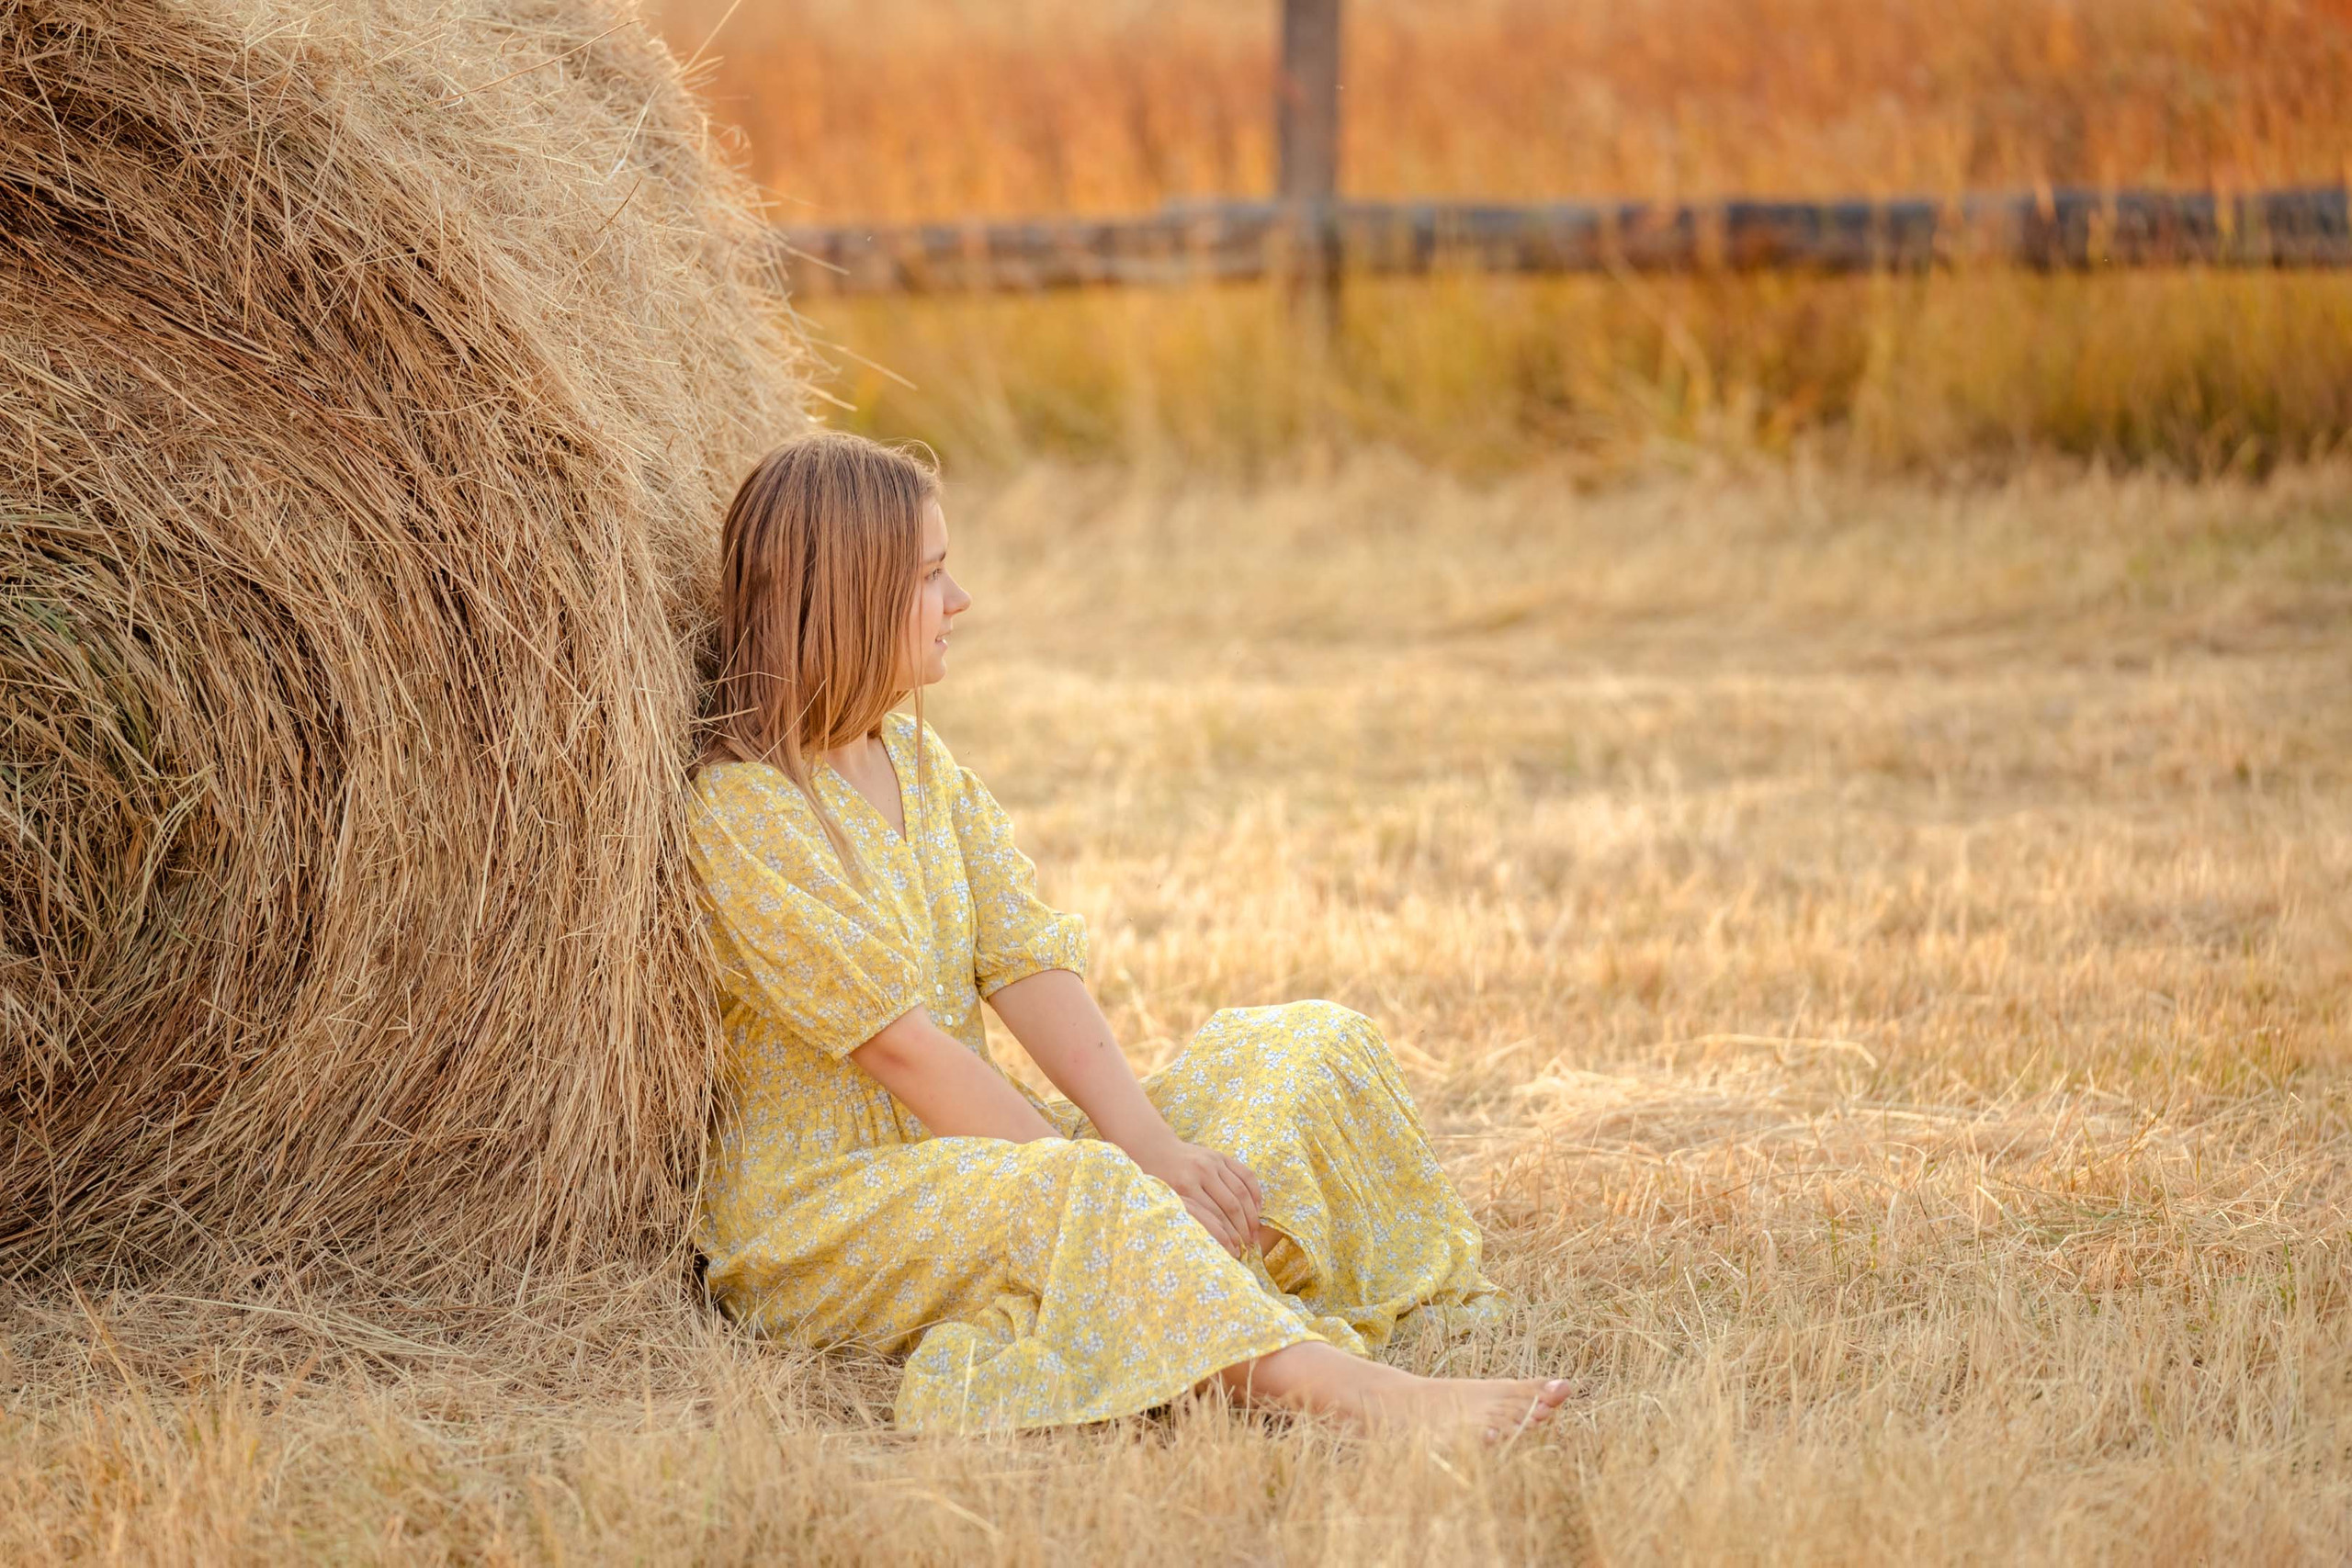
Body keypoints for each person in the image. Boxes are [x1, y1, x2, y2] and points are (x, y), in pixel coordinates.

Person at [687, 430, 1570, 1438]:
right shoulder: (747, 812)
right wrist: (1113, 1178)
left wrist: (1152, 1149)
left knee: (1306, 1047)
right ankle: (1354, 1394)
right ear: (849, 594)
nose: (960, 601)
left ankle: (1187, 1276)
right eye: (931, 576)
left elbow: (1023, 961)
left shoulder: (920, 764)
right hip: (830, 1217)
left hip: (991, 1158)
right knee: (1085, 1190)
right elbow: (902, 1048)